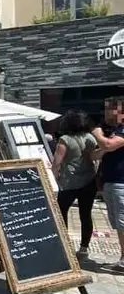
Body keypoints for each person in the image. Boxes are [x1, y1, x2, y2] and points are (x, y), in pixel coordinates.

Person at [51, 110, 97, 259]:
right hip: (89, 181)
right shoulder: (90, 137)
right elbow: (95, 157)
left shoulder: (65, 139)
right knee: (85, 214)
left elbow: (57, 162)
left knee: (61, 212)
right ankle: (84, 248)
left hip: (69, 182)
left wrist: (54, 178)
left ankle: (64, 245)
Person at [91, 99, 124, 269]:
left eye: (111, 109)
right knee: (118, 223)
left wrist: (97, 133)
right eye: (106, 110)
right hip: (111, 182)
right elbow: (99, 154)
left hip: (121, 183)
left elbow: (108, 145)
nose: (107, 113)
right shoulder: (115, 131)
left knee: (123, 222)